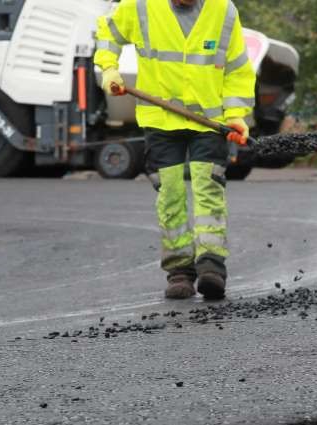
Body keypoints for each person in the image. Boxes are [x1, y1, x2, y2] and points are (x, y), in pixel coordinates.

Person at [94, 0, 256, 299]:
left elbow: (237, 68)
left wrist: (236, 113)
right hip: (160, 120)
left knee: (208, 189)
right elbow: (107, 31)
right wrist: (109, 68)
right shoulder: (140, 6)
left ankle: (211, 266)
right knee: (170, 194)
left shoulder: (223, 10)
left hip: (208, 121)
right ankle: (179, 271)